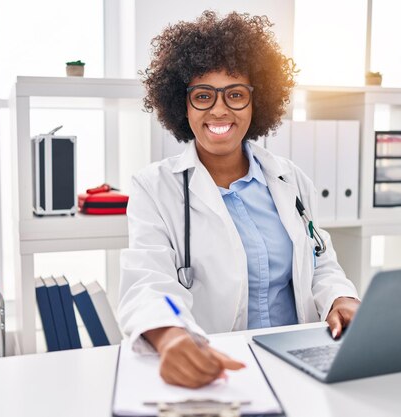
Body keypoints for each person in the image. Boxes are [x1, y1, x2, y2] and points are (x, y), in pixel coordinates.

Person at [118, 10, 360, 389]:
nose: (219, 109)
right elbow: (150, 284)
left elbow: (320, 261)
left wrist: (340, 299)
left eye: (235, 94)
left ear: (256, 102)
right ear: (181, 105)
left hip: (297, 363)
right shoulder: (155, 187)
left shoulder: (290, 180)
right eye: (202, 96)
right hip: (217, 367)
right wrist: (171, 335)